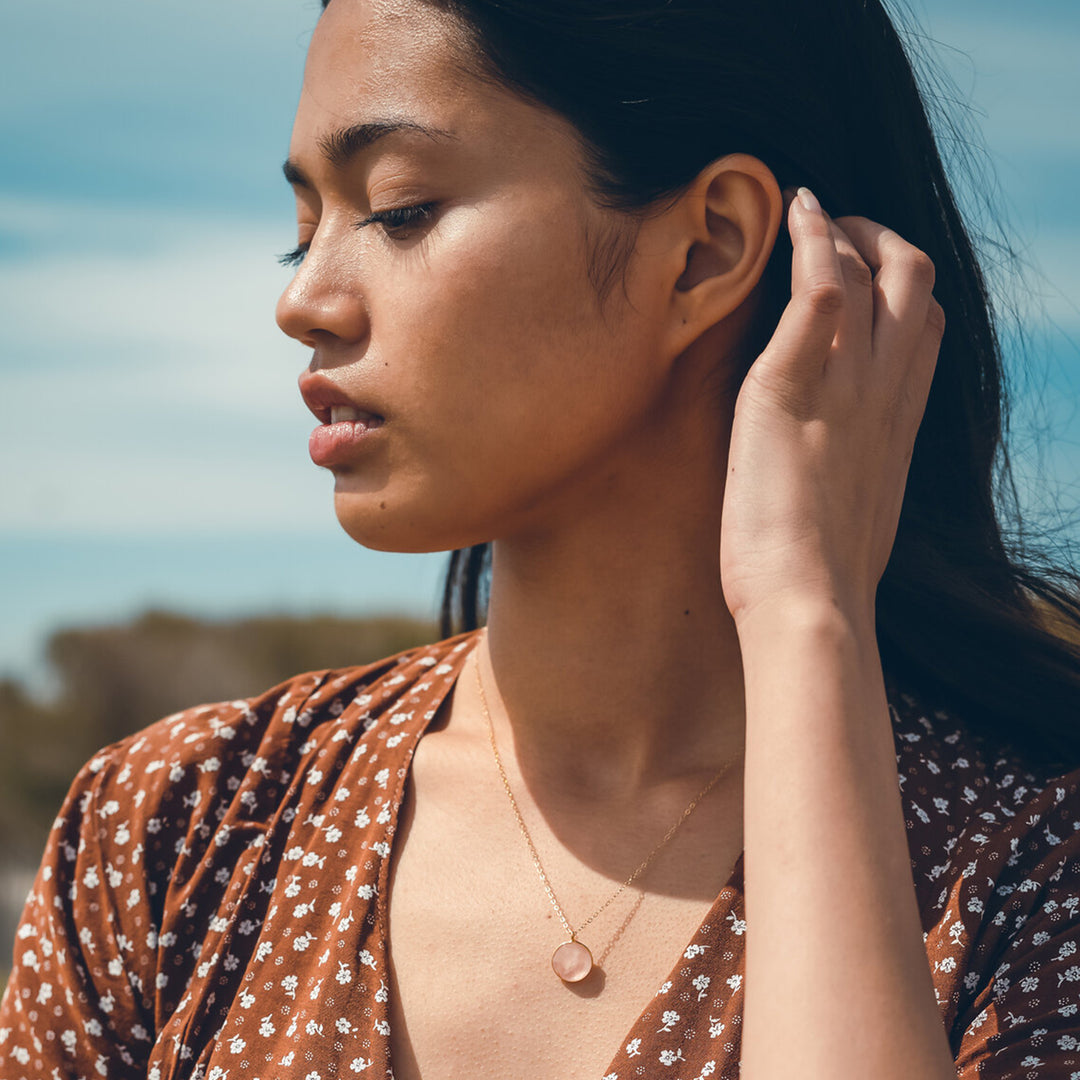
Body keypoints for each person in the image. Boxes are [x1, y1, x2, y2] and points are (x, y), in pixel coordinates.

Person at [3, 0, 1080, 1077]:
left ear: (706, 249)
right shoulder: (181, 829)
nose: (305, 299)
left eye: (399, 208)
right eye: (303, 227)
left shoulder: (1033, 870)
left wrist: (805, 612)